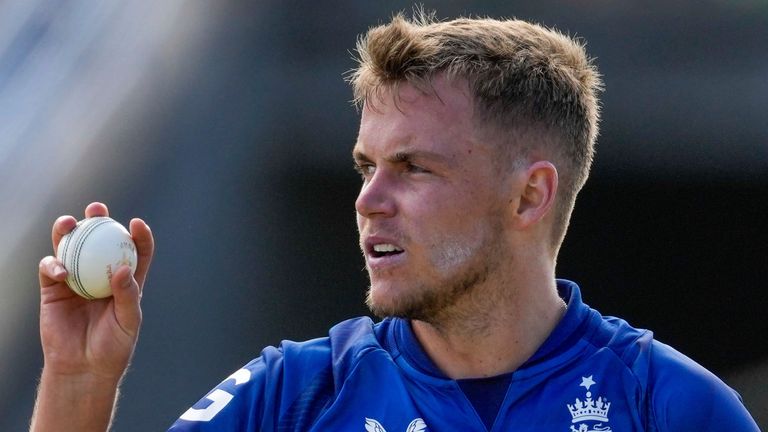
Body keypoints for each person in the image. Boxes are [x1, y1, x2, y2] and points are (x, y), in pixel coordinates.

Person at [30, 12, 759, 432]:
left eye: (414, 168)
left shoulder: (670, 407)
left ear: (531, 196)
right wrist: (77, 376)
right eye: (364, 166)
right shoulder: (297, 393)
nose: (369, 199)